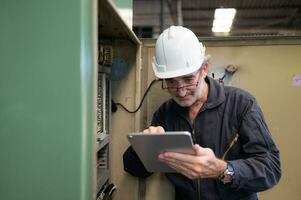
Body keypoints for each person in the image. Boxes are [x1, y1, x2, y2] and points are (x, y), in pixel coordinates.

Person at [123, 26, 281, 200]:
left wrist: (222, 170)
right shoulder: (165, 114)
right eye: (171, 82)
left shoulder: (241, 104)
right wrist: (146, 146)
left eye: (189, 79)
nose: (181, 92)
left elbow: (271, 168)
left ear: (204, 69)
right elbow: (133, 168)